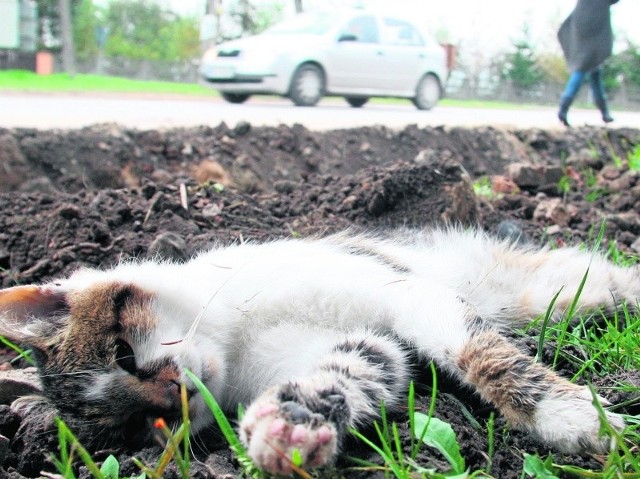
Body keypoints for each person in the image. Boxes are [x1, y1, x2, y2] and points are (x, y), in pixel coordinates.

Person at [557, 0, 619, 127]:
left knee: (595, 72)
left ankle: (604, 112)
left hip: (583, 22)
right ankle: (563, 108)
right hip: (591, 27)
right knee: (582, 69)